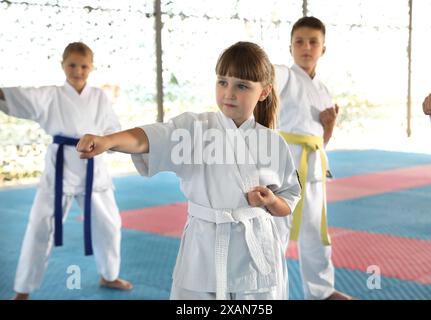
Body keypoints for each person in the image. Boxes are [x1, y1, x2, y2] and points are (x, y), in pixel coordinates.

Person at [76, 41, 300, 300]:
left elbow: (289, 201)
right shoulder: (195, 129)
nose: (229, 93)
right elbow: (152, 138)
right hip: (203, 245)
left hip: (255, 250)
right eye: (222, 82)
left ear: (264, 92)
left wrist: (271, 200)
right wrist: (109, 141)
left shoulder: (274, 144)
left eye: (242, 86)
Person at [0, 42, 132, 300]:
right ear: (63, 65)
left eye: (84, 66)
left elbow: (111, 129)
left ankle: (109, 274)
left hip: (93, 167)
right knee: (40, 227)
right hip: (59, 169)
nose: (78, 70)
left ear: (91, 68)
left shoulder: (99, 97)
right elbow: (20, 96)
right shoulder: (50, 94)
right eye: (72, 64)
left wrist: (110, 143)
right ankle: (23, 289)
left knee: (109, 224)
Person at [273, 16, 353, 300]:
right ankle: (266, 295)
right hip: (285, 164)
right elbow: (269, 75)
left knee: (315, 232)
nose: (306, 47)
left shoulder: (324, 89)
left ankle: (321, 291)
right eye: (299, 41)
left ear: (323, 49)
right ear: (290, 47)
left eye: (313, 42)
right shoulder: (283, 76)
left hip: (314, 163)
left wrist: (329, 127)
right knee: (276, 229)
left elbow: (321, 139)